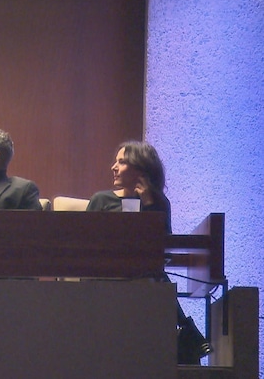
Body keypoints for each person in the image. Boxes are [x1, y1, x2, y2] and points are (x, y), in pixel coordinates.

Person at [87, 141, 211, 364]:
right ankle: (183, 333)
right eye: (116, 161)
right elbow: (87, 243)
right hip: (108, 279)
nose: (113, 167)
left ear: (140, 168)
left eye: (122, 162)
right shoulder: (102, 200)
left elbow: (161, 247)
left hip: (144, 279)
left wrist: (150, 204)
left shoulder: (158, 202)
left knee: (152, 282)